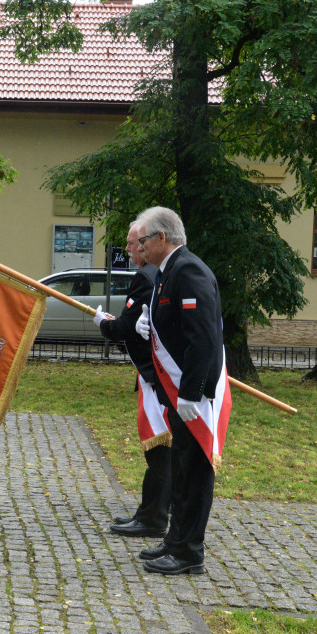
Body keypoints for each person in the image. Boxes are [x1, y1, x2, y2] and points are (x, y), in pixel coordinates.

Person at [134, 206, 226, 576]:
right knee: (181, 464)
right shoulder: (168, 271)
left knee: (194, 468)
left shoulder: (188, 270)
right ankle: (176, 541)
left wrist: (190, 392)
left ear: (161, 238)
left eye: (143, 240)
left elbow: (202, 336)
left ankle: (190, 551)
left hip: (196, 393)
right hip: (180, 390)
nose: (139, 247)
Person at [93, 219, 171, 538]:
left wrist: (103, 324)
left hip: (157, 377)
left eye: (132, 243)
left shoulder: (146, 276)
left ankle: (153, 517)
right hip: (161, 374)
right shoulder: (160, 275)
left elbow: (126, 328)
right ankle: (154, 510)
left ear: (147, 243)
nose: (129, 250)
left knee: (159, 449)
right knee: (163, 449)